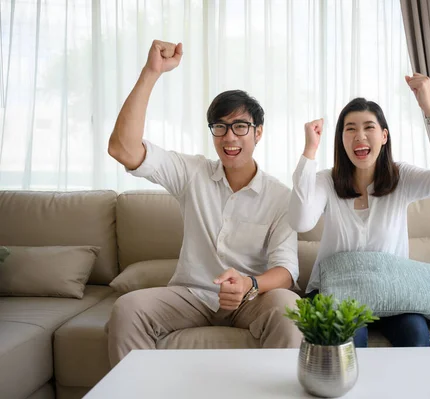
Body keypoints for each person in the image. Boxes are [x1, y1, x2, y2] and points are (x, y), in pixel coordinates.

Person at [106, 40, 302, 367]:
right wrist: (151, 72)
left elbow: (287, 269)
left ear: (258, 133)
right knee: (127, 308)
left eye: (240, 127)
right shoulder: (192, 173)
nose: (229, 138)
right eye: (220, 128)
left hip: (251, 297)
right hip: (191, 295)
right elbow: (123, 149)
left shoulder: (280, 197)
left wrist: (249, 284)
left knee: (288, 308)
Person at [288, 73, 430, 348]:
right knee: (347, 336)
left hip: (391, 292)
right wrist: (309, 152)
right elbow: (300, 220)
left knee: (416, 335)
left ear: (383, 136)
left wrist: (429, 108)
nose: (360, 136)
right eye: (350, 129)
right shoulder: (326, 180)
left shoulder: (402, 178)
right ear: (341, 139)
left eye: (368, 127)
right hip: (337, 292)